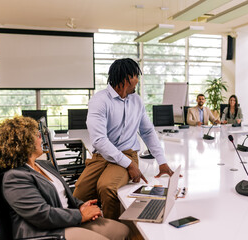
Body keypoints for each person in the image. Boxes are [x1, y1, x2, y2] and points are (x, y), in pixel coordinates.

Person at [0, 116, 129, 240]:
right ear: (22, 143)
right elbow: (42, 215)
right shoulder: (15, 178)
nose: (41, 137)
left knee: (123, 231)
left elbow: (64, 194)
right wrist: (81, 216)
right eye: (36, 135)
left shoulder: (43, 164)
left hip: (65, 220)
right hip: (43, 232)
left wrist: (81, 206)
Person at [73, 58, 176, 220]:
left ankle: (114, 230)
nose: (138, 80)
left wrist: (162, 161)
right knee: (79, 194)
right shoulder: (99, 101)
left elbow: (147, 131)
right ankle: (87, 228)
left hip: (128, 153)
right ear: (125, 79)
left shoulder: (137, 101)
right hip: (101, 156)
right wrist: (130, 166)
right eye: (136, 75)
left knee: (107, 187)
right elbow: (99, 140)